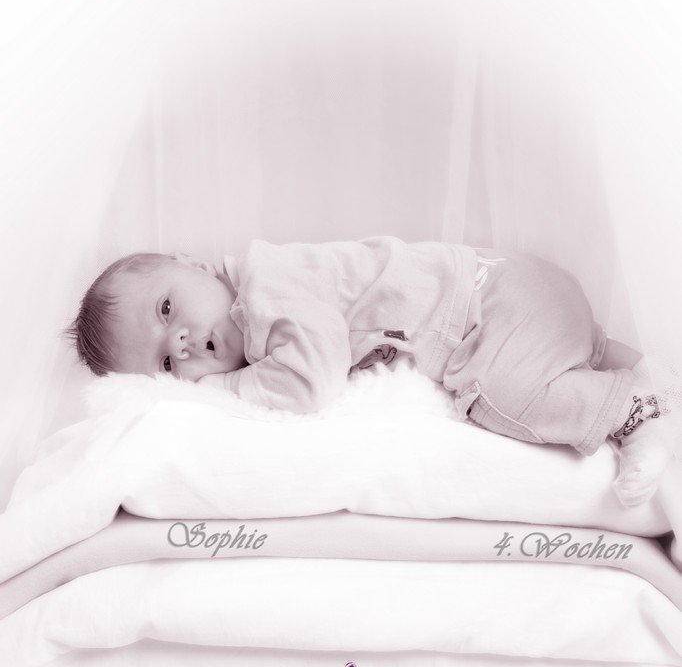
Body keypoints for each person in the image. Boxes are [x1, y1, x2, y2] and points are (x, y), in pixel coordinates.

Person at [66, 237, 674, 507]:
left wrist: (218, 388)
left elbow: (310, 383)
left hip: (495, 297)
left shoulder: (268, 288)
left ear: (193, 264)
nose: (181, 344)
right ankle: (641, 370)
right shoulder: (261, 306)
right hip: (513, 298)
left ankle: (634, 412)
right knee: (544, 359)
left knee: (497, 396)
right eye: (166, 363)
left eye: (166, 308)